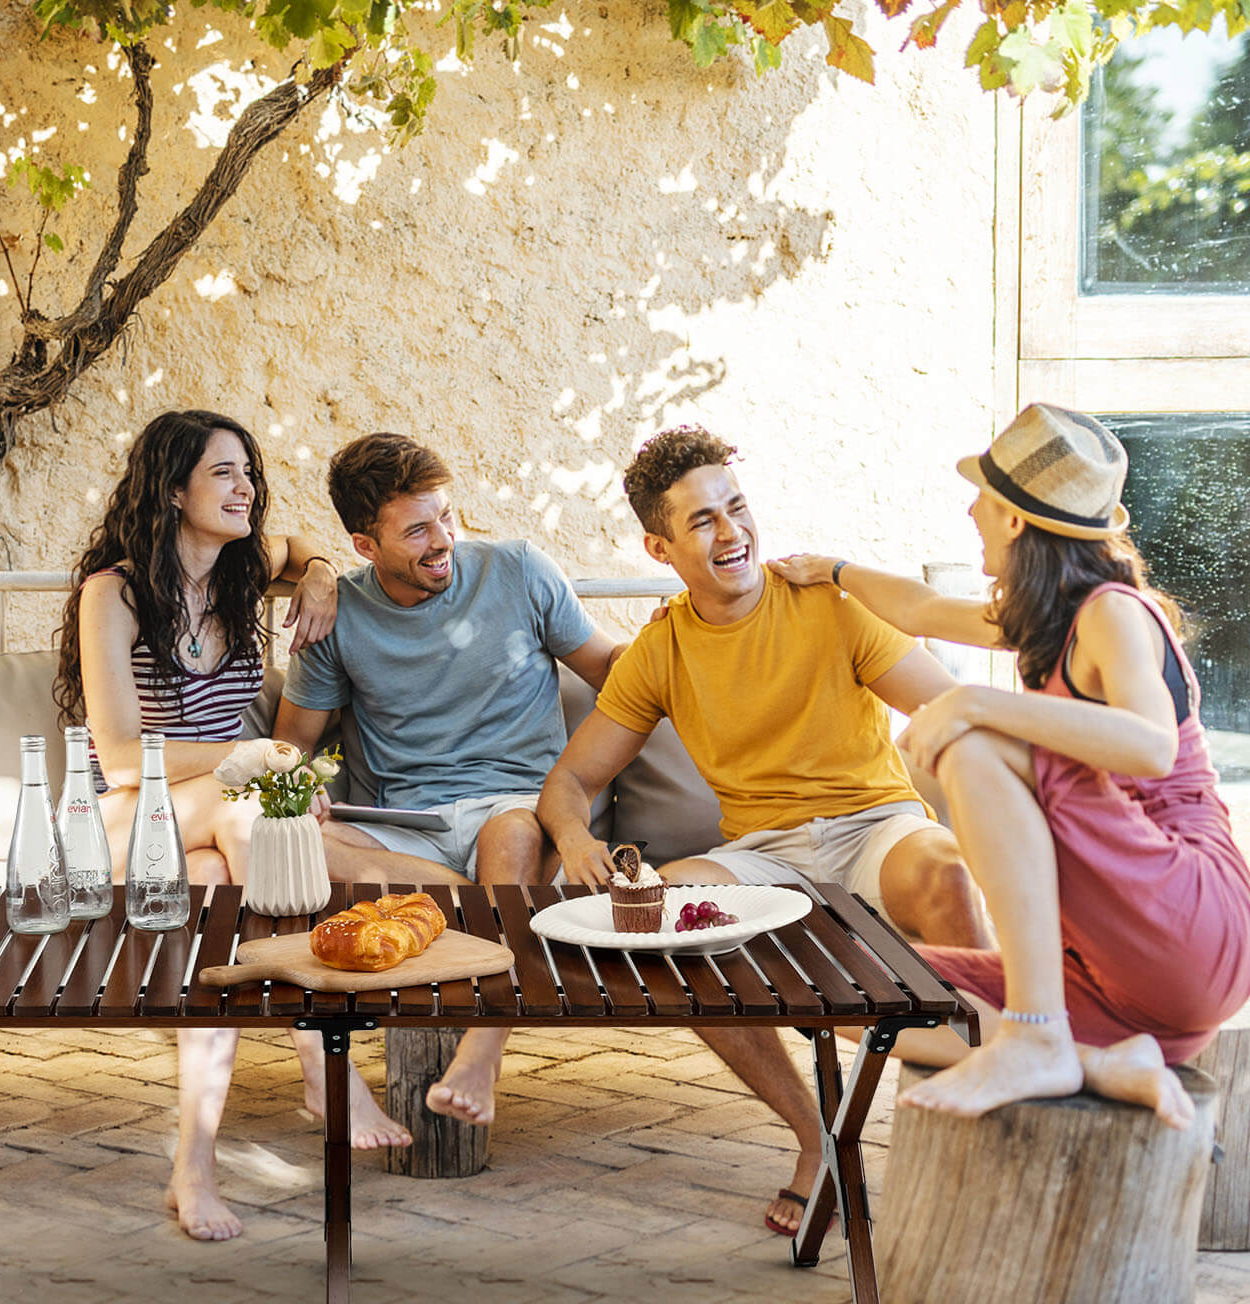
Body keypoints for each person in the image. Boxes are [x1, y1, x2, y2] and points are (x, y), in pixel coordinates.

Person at [538, 424, 992, 1235]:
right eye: (703, 520)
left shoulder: (828, 607)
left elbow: (947, 705)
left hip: (875, 824)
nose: (733, 532)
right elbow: (571, 781)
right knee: (657, 927)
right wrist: (576, 839)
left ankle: (968, 1142)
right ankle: (817, 1137)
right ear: (659, 545)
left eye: (737, 508)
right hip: (761, 854)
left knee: (947, 872)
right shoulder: (661, 648)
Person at [770, 402, 1250, 1125]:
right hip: (1113, 979)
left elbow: (1150, 745)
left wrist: (975, 706)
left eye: (984, 498)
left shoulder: (1112, 612)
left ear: (1018, 521)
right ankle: (1089, 1059)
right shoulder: (1049, 615)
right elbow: (924, 609)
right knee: (834, 986)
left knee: (969, 742)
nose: (971, 510)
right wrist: (834, 569)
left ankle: (1032, 1037)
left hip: (1187, 917)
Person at [54, 409, 411, 1244]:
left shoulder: (244, 571)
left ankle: (195, 1165)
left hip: (207, 841)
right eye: (224, 473)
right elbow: (118, 757)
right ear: (174, 490)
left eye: (249, 470)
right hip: (117, 822)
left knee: (218, 898)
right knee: (246, 811)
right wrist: (256, 758)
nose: (245, 486)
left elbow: (299, 555)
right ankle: (326, 1062)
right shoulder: (113, 593)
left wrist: (321, 570)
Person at [273, 432, 626, 1125]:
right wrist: (303, 786)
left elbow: (612, 673)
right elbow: (290, 746)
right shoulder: (338, 611)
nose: (443, 541)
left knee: (514, 835)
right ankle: (510, 929)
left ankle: (482, 1050)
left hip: (518, 804)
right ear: (364, 547)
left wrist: (682, 643)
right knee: (291, 842)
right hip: (405, 831)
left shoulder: (520, 570)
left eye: (446, 517)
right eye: (417, 530)